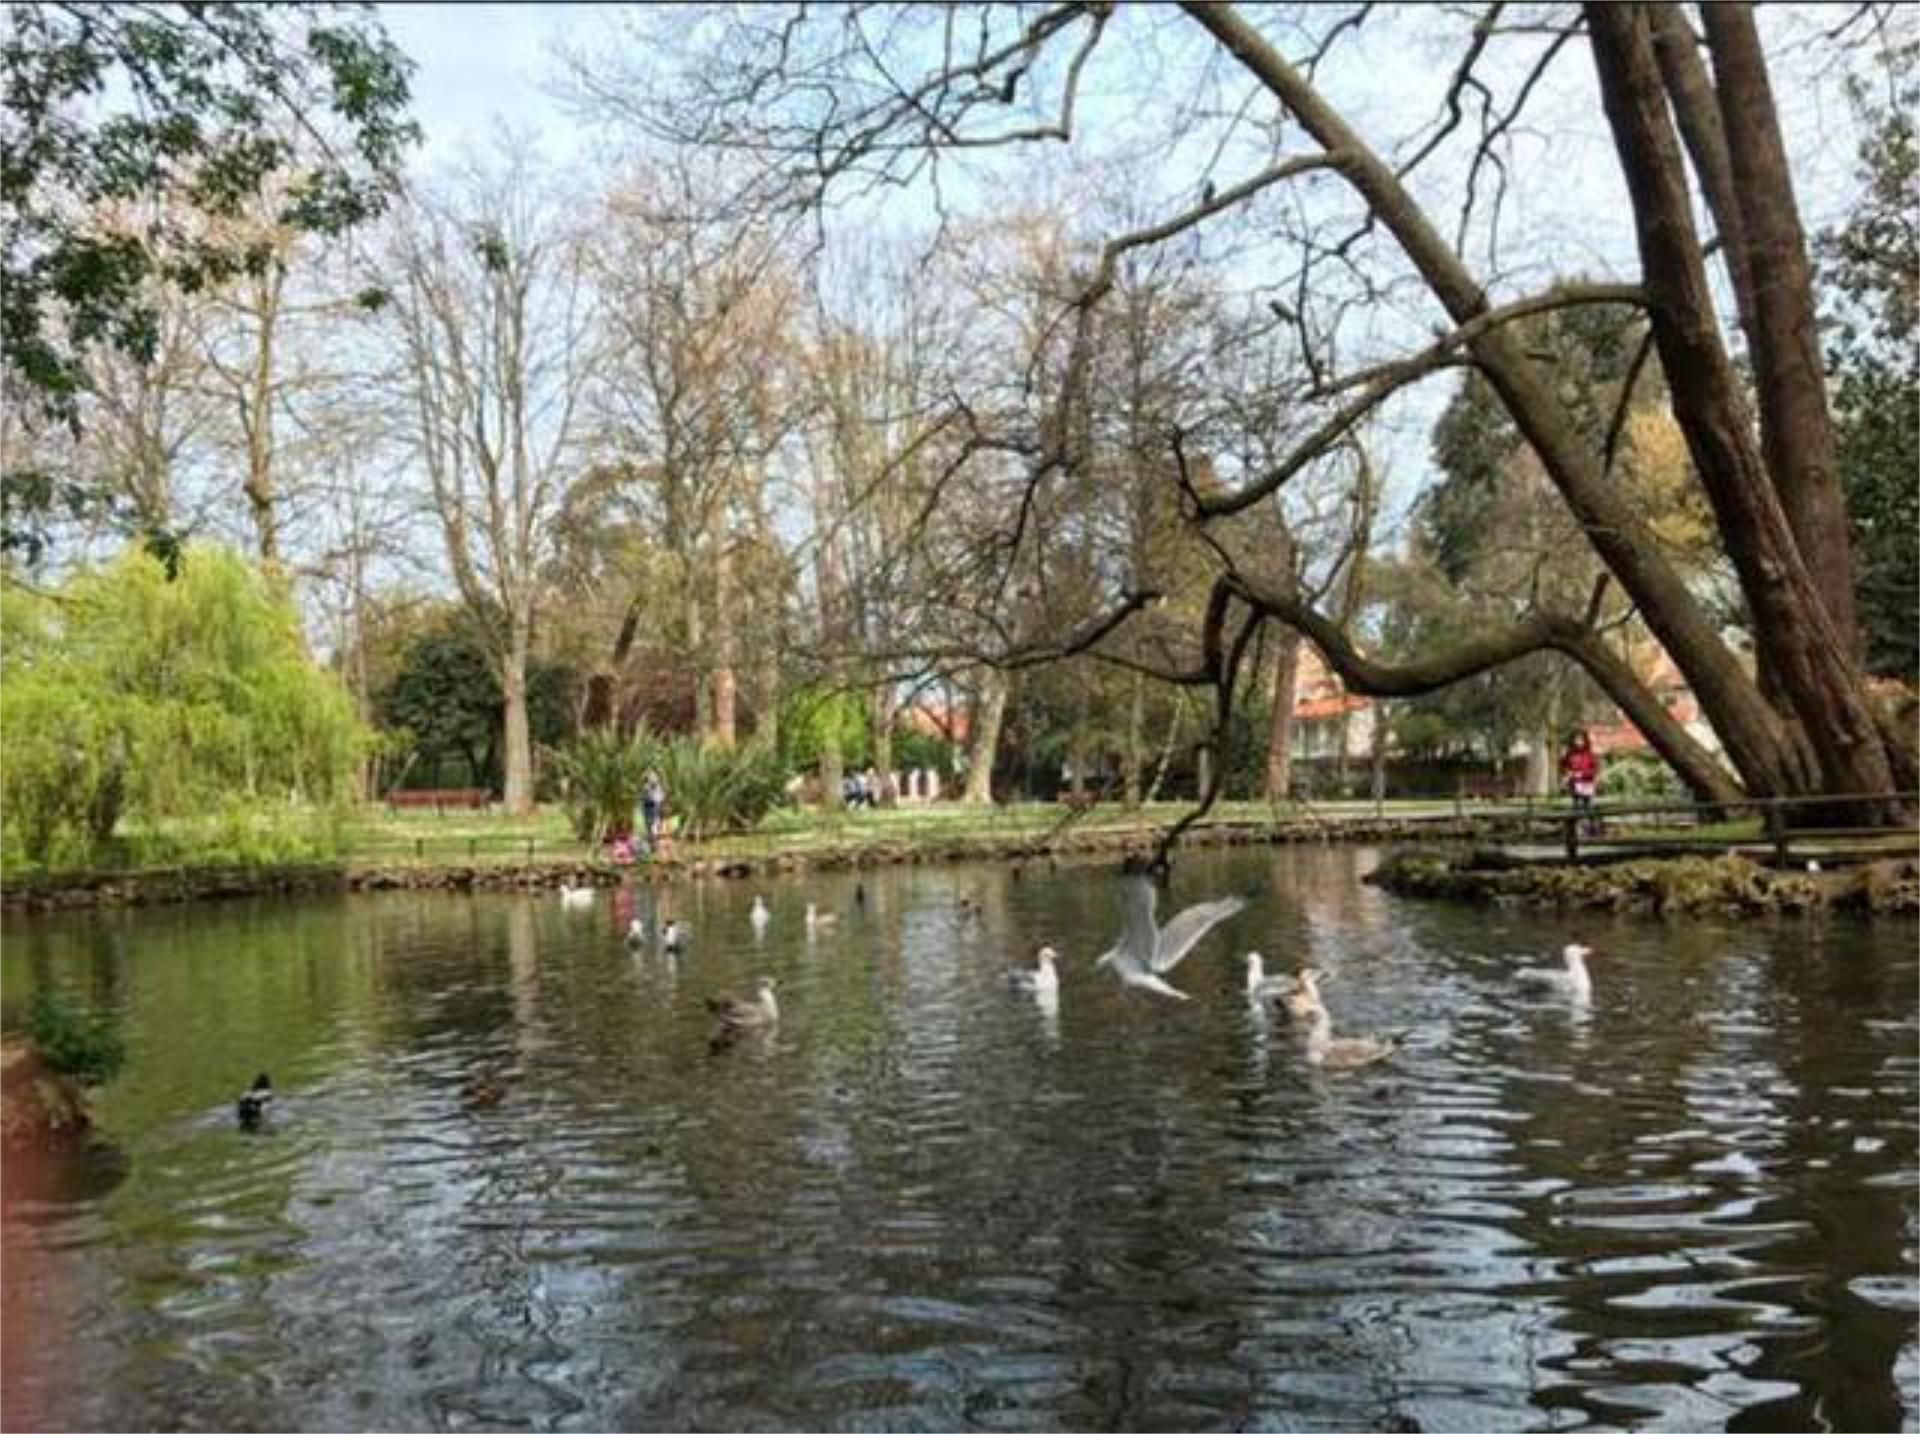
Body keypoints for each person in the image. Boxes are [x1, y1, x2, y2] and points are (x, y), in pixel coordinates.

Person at [1561, 729, 1602, 834]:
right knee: (1576, 806)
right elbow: (1564, 766)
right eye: (1576, 739)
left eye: (1580, 740)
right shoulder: (1569, 754)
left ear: (1585, 741)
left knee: (1588, 806)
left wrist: (1583, 774)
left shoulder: (1589, 754)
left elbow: (1595, 769)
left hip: (1587, 784)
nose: (1578, 742)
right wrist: (1567, 774)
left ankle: (1592, 828)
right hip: (1575, 785)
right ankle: (1577, 829)